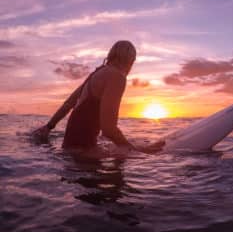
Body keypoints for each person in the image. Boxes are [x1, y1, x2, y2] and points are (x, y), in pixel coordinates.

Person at [32, 40, 164, 154]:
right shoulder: (117, 76)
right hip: (84, 157)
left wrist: (48, 127)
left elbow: (69, 103)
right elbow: (108, 129)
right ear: (130, 61)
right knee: (145, 156)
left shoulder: (97, 73)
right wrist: (136, 150)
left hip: (69, 150)